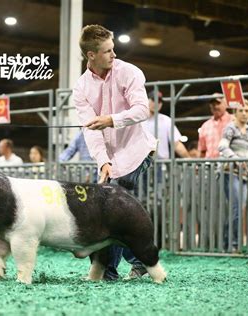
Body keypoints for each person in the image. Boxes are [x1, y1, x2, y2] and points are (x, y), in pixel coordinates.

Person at [73, 24, 157, 281]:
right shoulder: (81, 88)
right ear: (91, 55)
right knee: (109, 210)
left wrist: (110, 119)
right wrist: (103, 163)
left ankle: (107, 270)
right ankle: (138, 260)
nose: (114, 54)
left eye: (113, 49)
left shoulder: (129, 72)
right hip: (110, 159)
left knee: (114, 206)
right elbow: (90, 131)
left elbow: (143, 110)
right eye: (108, 51)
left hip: (137, 152)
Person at [218, 99, 248, 251]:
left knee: (239, 208)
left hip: (244, 174)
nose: (244, 113)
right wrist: (238, 160)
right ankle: (233, 245)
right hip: (230, 171)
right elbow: (222, 146)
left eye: (247, 111)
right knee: (236, 208)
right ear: (235, 113)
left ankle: (228, 243)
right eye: (241, 110)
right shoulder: (231, 127)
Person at [141, 90, 190, 159]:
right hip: (140, 161)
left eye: (159, 102)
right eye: (153, 100)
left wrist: (188, 158)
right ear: (146, 100)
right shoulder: (138, 120)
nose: (157, 104)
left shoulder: (166, 120)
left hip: (160, 163)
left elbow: (176, 143)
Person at [198, 93, 233, 158]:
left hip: (230, 163)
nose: (215, 106)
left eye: (218, 103)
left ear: (226, 104)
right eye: (213, 104)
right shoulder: (205, 126)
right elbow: (202, 150)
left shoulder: (233, 120)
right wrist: (199, 165)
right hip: (211, 165)